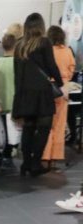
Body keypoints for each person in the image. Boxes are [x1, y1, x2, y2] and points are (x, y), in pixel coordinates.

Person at [13, 13, 63, 177]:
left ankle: (26, 163)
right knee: (43, 129)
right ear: (41, 26)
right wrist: (60, 84)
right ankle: (35, 163)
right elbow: (51, 66)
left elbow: (17, 74)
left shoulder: (19, 45)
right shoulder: (44, 42)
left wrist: (18, 97)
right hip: (42, 92)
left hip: (25, 92)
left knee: (28, 129)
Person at [41, 25, 74, 171]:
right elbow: (71, 69)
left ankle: (45, 156)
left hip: (48, 88)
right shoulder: (67, 51)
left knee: (46, 124)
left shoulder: (46, 51)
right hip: (63, 89)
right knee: (60, 125)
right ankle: (55, 157)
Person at [0, 33, 19, 169]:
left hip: (0, 103)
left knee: (1, 131)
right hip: (15, 103)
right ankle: (8, 155)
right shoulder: (18, 64)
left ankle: (2, 155)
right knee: (14, 134)